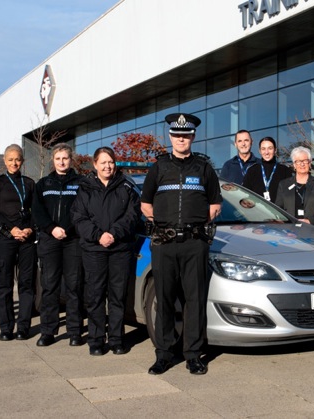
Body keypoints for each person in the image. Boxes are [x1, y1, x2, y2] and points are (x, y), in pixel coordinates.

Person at [141, 113, 222, 375]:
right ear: (170, 137)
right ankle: (164, 354)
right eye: (177, 135)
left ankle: (193, 354)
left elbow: (215, 204)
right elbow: (145, 204)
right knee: (164, 299)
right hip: (164, 244)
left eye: (185, 135)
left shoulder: (203, 168)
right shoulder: (159, 167)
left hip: (194, 243)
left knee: (194, 299)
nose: (181, 139)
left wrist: (192, 225)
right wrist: (166, 226)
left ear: (192, 137)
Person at [71, 147, 141, 356]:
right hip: (94, 250)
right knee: (95, 296)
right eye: (103, 163)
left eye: (110, 162)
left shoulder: (127, 185)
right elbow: (78, 218)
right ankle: (96, 340)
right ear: (94, 165)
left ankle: (117, 339)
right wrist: (98, 235)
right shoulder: (84, 188)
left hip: (119, 249)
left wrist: (113, 234)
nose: (107, 166)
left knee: (117, 296)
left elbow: (132, 215)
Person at [32, 143, 85, 347]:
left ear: (71, 160)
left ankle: (74, 331)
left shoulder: (81, 183)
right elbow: (37, 211)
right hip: (50, 240)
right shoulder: (43, 184)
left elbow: (82, 210)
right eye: (58, 159)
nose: (62, 162)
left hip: (73, 241)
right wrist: (52, 228)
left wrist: (68, 229)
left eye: (65, 158)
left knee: (74, 287)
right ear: (53, 161)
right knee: (50, 286)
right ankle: (48, 331)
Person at [0, 144, 37, 341]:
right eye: (10, 159)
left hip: (27, 238)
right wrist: (11, 229)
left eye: (17, 159)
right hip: (7, 239)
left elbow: (37, 211)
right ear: (4, 161)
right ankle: (6, 327)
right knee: (5, 284)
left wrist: (30, 228)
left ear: (22, 161)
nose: (14, 163)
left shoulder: (30, 183)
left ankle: (23, 327)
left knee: (26, 284)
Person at [273, 146, 314, 227]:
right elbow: (279, 209)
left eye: (305, 161)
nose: (302, 164)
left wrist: (310, 221)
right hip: (290, 231)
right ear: (294, 165)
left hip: (312, 230)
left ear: (309, 163)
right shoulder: (284, 185)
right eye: (298, 161)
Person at [242, 136, 292, 202]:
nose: (266, 152)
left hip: (278, 211)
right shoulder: (252, 171)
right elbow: (245, 194)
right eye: (263, 149)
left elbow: (290, 196)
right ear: (259, 151)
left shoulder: (285, 170)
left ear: (275, 150)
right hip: (257, 210)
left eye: (270, 148)